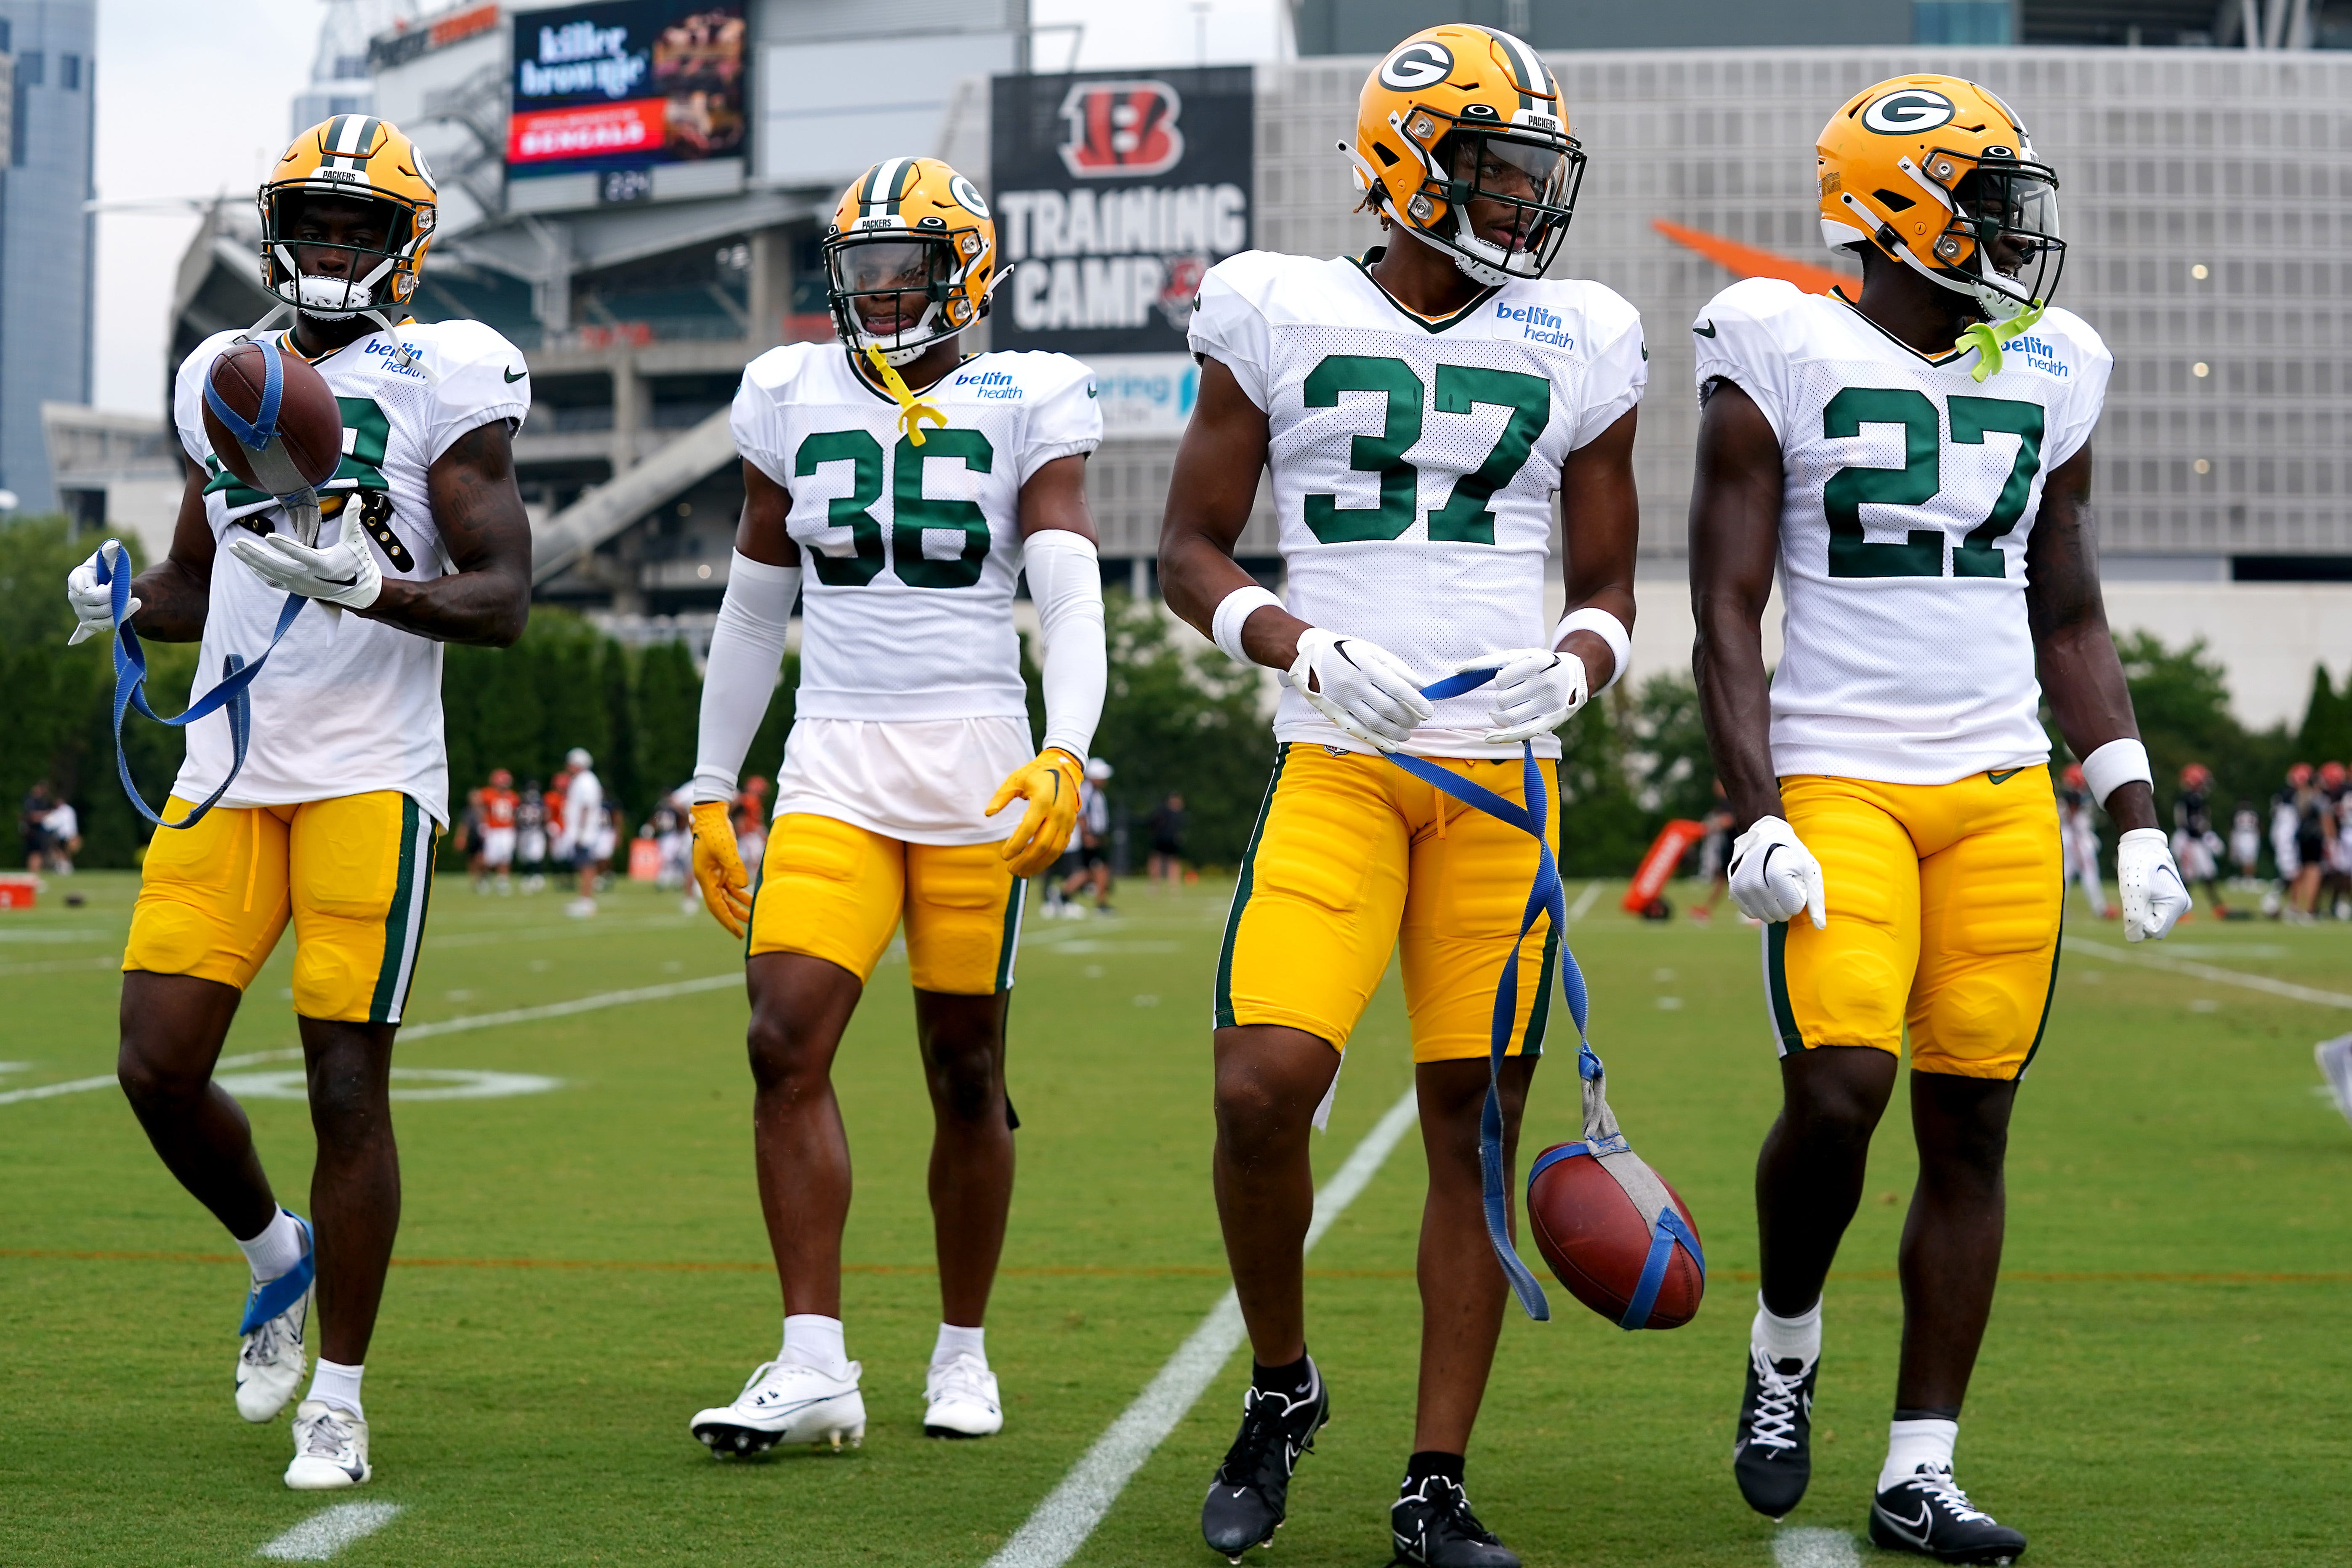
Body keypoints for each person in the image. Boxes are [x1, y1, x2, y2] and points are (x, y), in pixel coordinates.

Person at [1687, 75, 2189, 1562]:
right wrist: (1751, 810)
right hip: (1836, 775)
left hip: (1994, 791)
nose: (2012, 230)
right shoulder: (1774, 342)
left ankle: (1919, 1465)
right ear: (1892, 209)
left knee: (1968, 1118)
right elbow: (1722, 605)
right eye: (1983, 200)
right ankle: (1783, 1340)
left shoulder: (2052, 360)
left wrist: (2131, 806)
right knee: (1839, 1087)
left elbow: (2067, 605)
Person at [1158, 26, 1643, 1565]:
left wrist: (1579, 661)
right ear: (1405, 165)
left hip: (1502, 781)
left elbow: (1612, 581)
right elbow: (1186, 550)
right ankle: (1282, 1379)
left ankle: (1434, 1479)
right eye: (1495, 168)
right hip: (1340, 758)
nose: (1523, 200)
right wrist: (1297, 642)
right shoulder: (1277, 305)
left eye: (1531, 172)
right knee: (1260, 1083)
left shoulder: (1581, 333)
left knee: (1474, 1125)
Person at [63, 115, 531, 1490]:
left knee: (344, 1081)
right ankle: (278, 1252)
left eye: (354, 226)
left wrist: (374, 588)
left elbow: (503, 596)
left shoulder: (450, 370)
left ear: (404, 243)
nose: (328, 246)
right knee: (155, 1062)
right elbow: (197, 578)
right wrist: (125, 598)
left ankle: (340, 1396)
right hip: (228, 762)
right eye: (310, 224)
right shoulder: (223, 368)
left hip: (369, 771)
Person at [682, 154, 1106, 1456]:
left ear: (962, 274)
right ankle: (813, 1358)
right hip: (834, 761)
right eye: (859, 267)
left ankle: (962, 1348)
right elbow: (752, 607)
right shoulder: (786, 390)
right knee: (781, 1036)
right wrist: (709, 783)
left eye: (901, 268)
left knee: (965, 1067)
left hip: (977, 760)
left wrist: (1066, 746)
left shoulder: (1027, 393)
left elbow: (1068, 587)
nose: (874, 291)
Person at [1056, 757, 1115, 915]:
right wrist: (1087, 835)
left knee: (1086, 872)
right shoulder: (1087, 791)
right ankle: (1101, 904)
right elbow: (1082, 815)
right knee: (1100, 870)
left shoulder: (1096, 793)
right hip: (1089, 838)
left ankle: (1063, 896)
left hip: (1095, 837)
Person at [2172, 763, 2227, 918]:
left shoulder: (2197, 800)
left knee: (2208, 874)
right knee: (2188, 877)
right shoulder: (2189, 801)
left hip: (2197, 841)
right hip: (2188, 841)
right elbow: (2190, 825)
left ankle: (2218, 907)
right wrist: (2209, 838)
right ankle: (2179, 910)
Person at [2057, 764, 2111, 918]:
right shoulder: (2072, 799)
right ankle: (2099, 908)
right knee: (2086, 873)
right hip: (2076, 838)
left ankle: (2060, 908)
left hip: (2072, 837)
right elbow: (2073, 819)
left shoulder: (2073, 798)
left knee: (2066, 874)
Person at [561, 748, 603, 918]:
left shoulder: (586, 781)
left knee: (586, 865)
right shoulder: (583, 780)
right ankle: (584, 900)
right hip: (583, 830)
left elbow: (586, 806)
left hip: (584, 831)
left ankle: (587, 902)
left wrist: (581, 830)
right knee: (583, 865)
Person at [1692, 780, 1736, 921]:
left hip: (1739, 844)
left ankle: (1756, 916)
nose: (1716, 788)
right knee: (1722, 878)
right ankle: (1706, 909)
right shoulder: (1723, 803)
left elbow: (1729, 821)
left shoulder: (1730, 800)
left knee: (1745, 878)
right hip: (1730, 845)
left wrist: (1707, 827)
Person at [477, 769, 518, 894]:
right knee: (489, 858)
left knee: (506, 856)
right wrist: (483, 824)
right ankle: (484, 878)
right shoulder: (488, 794)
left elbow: (515, 814)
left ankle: (503, 881)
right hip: (493, 830)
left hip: (508, 830)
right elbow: (482, 809)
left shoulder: (513, 796)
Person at [1147, 791, 1188, 883]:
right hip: (1161, 838)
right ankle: (1155, 882)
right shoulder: (1164, 812)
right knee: (1157, 859)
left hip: (1171, 839)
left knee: (1172, 860)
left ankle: (1173, 883)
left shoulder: (1178, 814)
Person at [516, 779, 548, 894]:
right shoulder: (523, 802)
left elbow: (545, 815)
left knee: (535, 855)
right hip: (527, 831)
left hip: (534, 831)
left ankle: (536, 876)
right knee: (526, 856)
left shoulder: (532, 802)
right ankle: (529, 876)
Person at [20, 781, 56, 871]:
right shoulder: (30, 801)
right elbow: (33, 817)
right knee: (34, 853)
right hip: (32, 831)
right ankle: (33, 871)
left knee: (40, 853)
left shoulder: (44, 801)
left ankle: (37, 871)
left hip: (41, 831)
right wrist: (44, 815)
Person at [2229, 798, 2261, 885]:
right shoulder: (2252, 814)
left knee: (2248, 859)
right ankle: (2247, 878)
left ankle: (2248, 878)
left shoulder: (2239, 814)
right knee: (2247, 859)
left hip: (2244, 835)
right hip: (2249, 835)